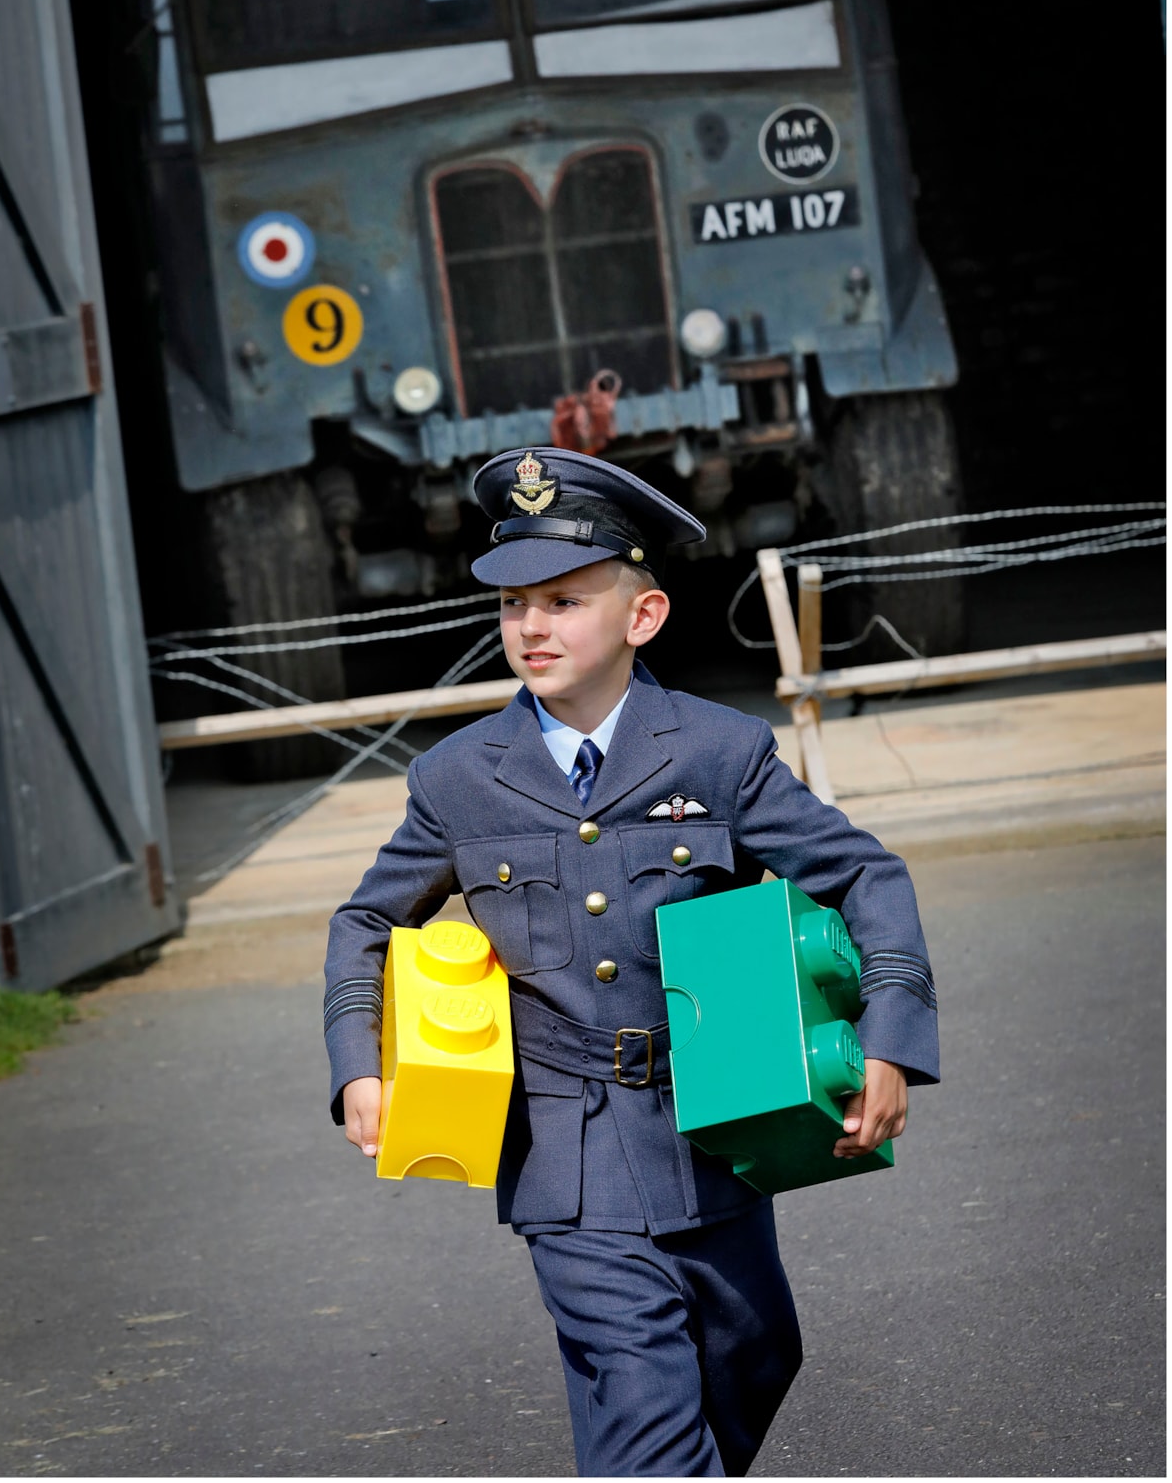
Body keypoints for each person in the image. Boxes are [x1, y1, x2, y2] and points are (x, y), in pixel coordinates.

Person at [324, 447, 939, 1478]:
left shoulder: (717, 750)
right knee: (647, 1383)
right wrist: (357, 1060)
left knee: (752, 1354)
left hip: (719, 1127)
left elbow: (865, 875)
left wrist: (890, 1036)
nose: (531, 625)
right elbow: (364, 920)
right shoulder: (457, 777)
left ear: (641, 616)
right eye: (514, 602)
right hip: (564, 1155)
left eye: (563, 599)